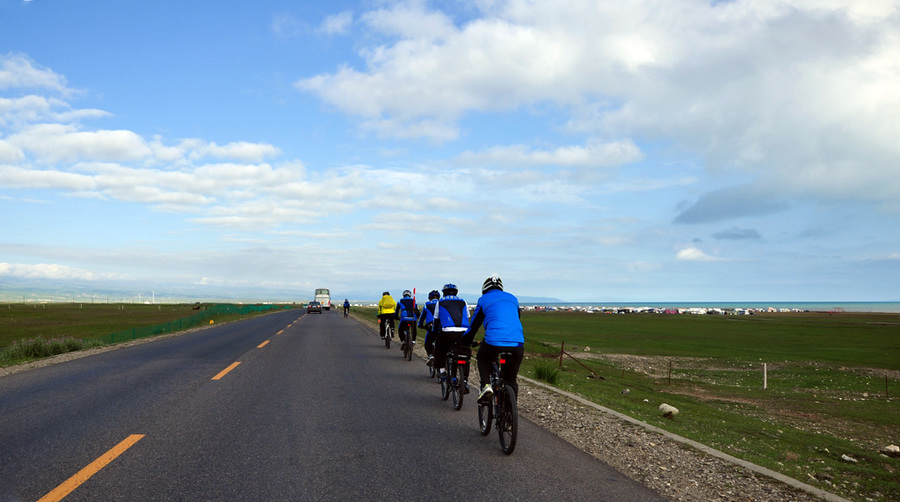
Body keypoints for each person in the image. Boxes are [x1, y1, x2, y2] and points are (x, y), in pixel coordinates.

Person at [462, 276, 524, 403]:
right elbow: (516, 318)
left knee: (483, 358)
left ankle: (486, 386)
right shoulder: (513, 298)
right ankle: (510, 413)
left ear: (484, 289)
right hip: (517, 342)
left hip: (494, 342)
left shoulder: (483, 299)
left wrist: (465, 341)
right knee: (511, 380)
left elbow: (474, 325)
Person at [431, 283, 470, 386]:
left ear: (443, 293)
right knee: (465, 353)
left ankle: (442, 370)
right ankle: (465, 380)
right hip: (463, 331)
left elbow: (436, 319)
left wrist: (435, 331)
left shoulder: (440, 302)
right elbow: (468, 316)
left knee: (440, 348)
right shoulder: (463, 301)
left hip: (448, 331)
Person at [417, 290, 441, 366]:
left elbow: (422, 316)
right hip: (441, 326)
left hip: (431, 326)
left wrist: (420, 324)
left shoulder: (427, 304)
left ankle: (430, 356)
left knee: (427, 342)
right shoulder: (442, 303)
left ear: (430, 298)